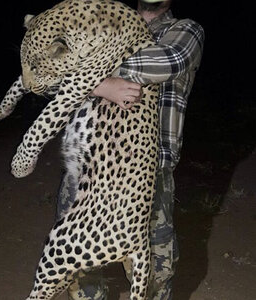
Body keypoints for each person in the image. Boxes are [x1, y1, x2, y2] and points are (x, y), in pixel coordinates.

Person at [57, 0, 205, 299]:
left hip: (147, 173)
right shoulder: (102, 22)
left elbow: (167, 61)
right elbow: (44, 74)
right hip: (88, 168)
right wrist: (101, 86)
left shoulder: (186, 30)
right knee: (79, 270)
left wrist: (85, 74)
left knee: (154, 275)